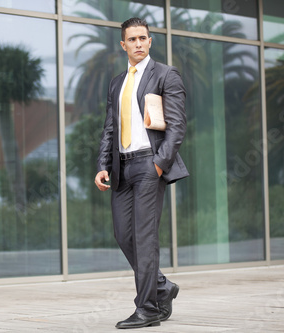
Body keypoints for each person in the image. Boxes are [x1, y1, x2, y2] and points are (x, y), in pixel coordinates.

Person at [94, 17, 189, 329]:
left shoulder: (165, 74)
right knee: (123, 234)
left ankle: (147, 308)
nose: (138, 44)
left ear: (150, 41)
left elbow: (176, 127)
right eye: (131, 40)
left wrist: (159, 163)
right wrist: (103, 166)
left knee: (144, 237)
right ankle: (162, 287)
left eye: (142, 38)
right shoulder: (117, 82)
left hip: (149, 164)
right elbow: (110, 127)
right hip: (121, 167)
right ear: (123, 45)